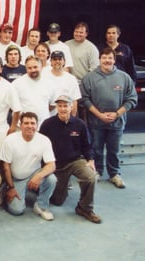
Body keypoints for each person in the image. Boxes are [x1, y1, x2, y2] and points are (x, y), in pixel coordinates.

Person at [80, 47, 137, 188]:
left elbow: (132, 99)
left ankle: (114, 174)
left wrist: (117, 113)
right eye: (104, 57)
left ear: (114, 60)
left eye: (110, 58)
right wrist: (99, 115)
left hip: (117, 122)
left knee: (114, 149)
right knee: (96, 148)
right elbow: (85, 100)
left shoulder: (124, 77)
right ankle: (97, 171)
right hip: (96, 122)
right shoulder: (89, 78)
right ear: (99, 59)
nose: (107, 60)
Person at [39, 96, 102, 224]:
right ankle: (63, 186)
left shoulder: (80, 124)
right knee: (57, 201)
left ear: (71, 107)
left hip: (74, 161)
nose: (63, 109)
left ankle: (85, 208)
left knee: (90, 176)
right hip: (55, 165)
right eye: (60, 106)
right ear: (56, 108)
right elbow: (40, 146)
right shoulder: (47, 124)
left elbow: (87, 145)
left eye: (65, 105)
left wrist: (90, 160)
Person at [0, 112, 57, 220]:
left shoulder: (44, 140)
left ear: (37, 125)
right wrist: (11, 187)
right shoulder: (10, 140)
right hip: (16, 179)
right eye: (26, 123)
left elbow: (52, 165)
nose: (30, 126)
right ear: (20, 125)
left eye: (32, 123)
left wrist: (39, 176)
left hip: (34, 174)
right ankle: (5, 190)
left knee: (51, 179)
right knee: (16, 210)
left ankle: (41, 206)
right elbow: (6, 167)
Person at [11, 56, 57, 127]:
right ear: (26, 68)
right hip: (22, 126)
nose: (33, 70)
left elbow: (53, 104)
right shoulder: (16, 84)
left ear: (41, 67)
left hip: (44, 125)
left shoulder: (50, 83)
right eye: (29, 68)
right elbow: (12, 105)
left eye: (35, 67)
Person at [46, 50, 80, 116]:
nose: (57, 61)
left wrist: (73, 118)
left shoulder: (71, 79)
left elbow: (74, 101)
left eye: (60, 59)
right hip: (49, 116)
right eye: (55, 59)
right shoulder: (44, 77)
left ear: (64, 61)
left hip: (66, 116)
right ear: (51, 62)